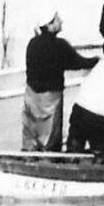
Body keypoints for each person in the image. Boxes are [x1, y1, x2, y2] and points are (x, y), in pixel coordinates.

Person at [21, 11, 92, 151]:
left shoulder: (32, 43)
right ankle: (50, 156)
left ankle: (29, 153)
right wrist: (97, 60)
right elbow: (77, 62)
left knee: (32, 130)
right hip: (51, 97)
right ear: (50, 25)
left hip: (31, 94)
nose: (62, 21)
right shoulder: (59, 45)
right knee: (50, 134)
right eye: (58, 20)